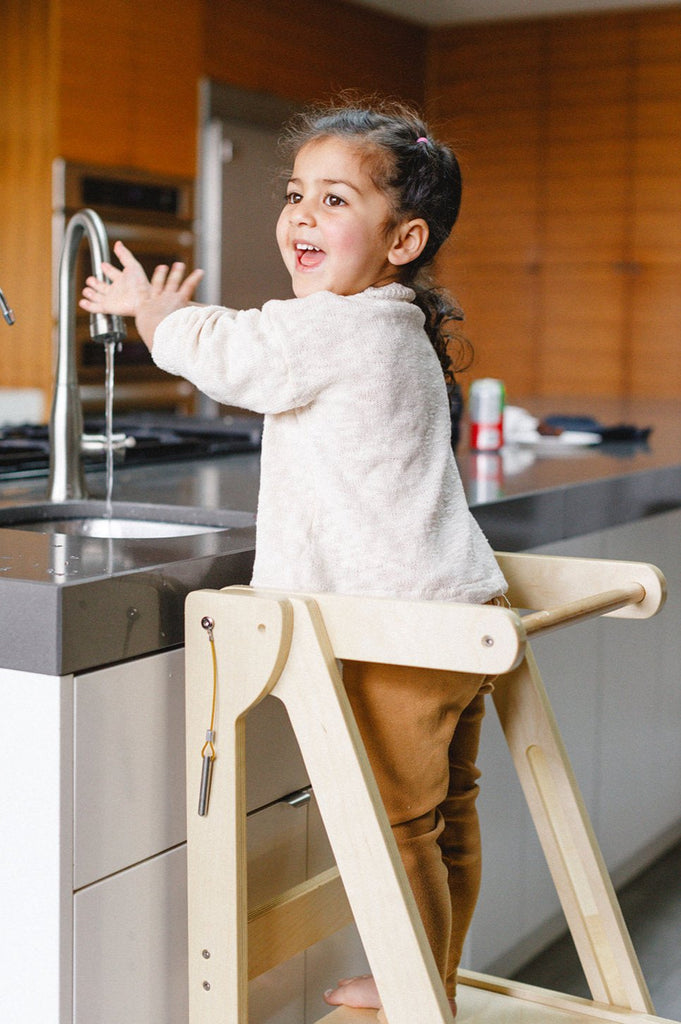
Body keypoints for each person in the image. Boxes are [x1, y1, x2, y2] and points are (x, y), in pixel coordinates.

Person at [81, 98, 507, 1020]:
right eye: (295, 194)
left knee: (394, 826)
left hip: (397, 628)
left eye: (335, 199)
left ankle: (410, 993)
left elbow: (243, 356)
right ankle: (427, 977)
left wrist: (160, 317)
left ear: (403, 239)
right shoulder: (393, 327)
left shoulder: (338, 326)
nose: (302, 216)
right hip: (454, 612)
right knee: (441, 820)